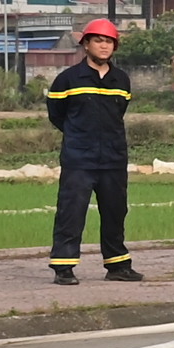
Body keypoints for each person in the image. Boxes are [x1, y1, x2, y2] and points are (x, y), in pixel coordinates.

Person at [45, 16, 139, 285]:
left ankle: (118, 264)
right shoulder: (67, 80)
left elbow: (119, 113)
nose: (104, 46)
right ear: (86, 44)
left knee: (116, 211)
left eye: (109, 41)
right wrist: (79, 137)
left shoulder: (121, 80)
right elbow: (57, 115)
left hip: (113, 158)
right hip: (79, 159)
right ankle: (64, 266)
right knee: (71, 212)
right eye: (98, 40)